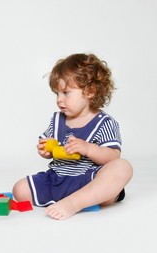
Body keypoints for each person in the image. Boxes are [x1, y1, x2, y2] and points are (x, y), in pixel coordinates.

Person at [13, 53, 133, 220]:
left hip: (89, 179)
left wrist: (88, 148)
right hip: (58, 178)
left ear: (90, 91)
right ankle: (73, 198)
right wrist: (45, 150)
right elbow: (49, 146)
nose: (59, 100)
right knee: (19, 189)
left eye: (66, 93)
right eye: (57, 94)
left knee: (122, 167)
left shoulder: (104, 123)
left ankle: (75, 202)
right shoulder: (57, 120)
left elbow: (113, 156)